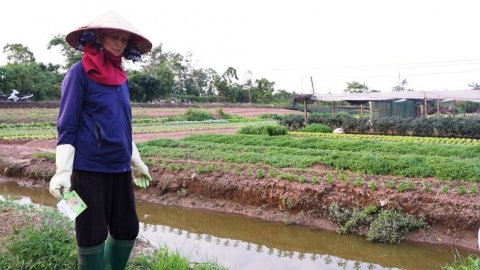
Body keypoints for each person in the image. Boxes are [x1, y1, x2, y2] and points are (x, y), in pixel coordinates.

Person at [49, 10, 153, 270]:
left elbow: (122, 125)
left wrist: (135, 160)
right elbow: (67, 124)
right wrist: (63, 171)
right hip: (89, 166)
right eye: (113, 37)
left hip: (118, 165)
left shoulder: (121, 78)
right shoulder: (79, 73)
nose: (119, 44)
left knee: (127, 227)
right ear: (98, 37)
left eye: (124, 40)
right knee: (91, 230)